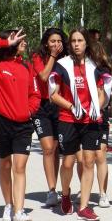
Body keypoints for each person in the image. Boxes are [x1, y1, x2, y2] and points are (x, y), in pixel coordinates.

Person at [0, 29, 40, 221]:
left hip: (23, 126)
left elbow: (35, 95)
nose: (24, 42)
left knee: (20, 167)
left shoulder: (27, 67)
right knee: (5, 166)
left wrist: (28, 112)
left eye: (23, 39)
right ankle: (8, 204)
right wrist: (4, 42)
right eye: (19, 39)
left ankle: (19, 212)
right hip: (0, 124)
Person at [49, 28, 112, 221]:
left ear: (86, 44)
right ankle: (66, 194)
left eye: (80, 41)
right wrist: (71, 106)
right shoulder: (62, 65)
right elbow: (53, 95)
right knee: (68, 162)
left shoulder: (96, 66)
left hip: (91, 121)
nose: (77, 44)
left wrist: (99, 107)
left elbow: (103, 91)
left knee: (89, 161)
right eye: (74, 41)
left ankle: (84, 207)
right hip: (68, 120)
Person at [30, 28, 68, 208]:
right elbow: (44, 77)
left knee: (55, 148)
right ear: (46, 43)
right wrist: (53, 56)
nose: (56, 44)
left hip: (60, 107)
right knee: (47, 148)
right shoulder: (38, 56)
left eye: (59, 41)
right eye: (52, 41)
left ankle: (60, 188)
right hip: (42, 107)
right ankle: (51, 190)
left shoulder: (67, 59)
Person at [92, 40, 112, 208]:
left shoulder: (103, 71)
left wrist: (95, 110)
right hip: (79, 116)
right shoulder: (77, 68)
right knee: (84, 157)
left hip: (99, 115)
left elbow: (104, 96)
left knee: (101, 153)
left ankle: (103, 193)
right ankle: (83, 190)